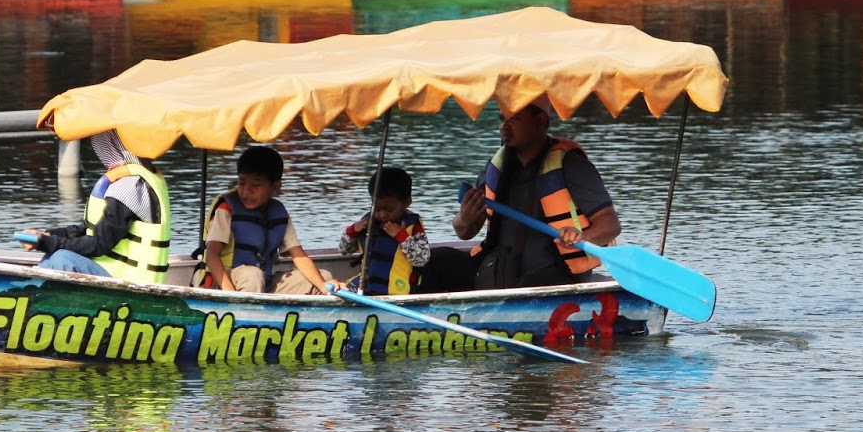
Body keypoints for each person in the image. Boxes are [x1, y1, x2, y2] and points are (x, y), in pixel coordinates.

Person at [448, 94, 622, 290]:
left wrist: (582, 236)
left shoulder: (572, 165)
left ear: (539, 121)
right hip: (499, 269)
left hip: (556, 275)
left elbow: (610, 224)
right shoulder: (495, 167)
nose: (504, 126)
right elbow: (464, 232)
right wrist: (465, 218)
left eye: (514, 119)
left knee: (528, 280)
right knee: (439, 262)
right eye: (502, 119)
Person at [19, 130, 172, 284]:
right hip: (113, 272)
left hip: (131, 284)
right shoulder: (138, 178)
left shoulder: (130, 186)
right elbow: (85, 230)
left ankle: (31, 295)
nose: (98, 145)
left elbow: (98, 245)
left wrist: (46, 243)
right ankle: (32, 291)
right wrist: (46, 235)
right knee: (54, 253)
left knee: (62, 259)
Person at [198, 145, 336, 295]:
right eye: (241, 183)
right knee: (252, 275)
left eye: (255, 185)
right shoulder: (226, 208)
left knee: (324, 278)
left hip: (262, 281)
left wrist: (322, 285)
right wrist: (231, 295)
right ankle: (244, 313)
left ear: (275, 187)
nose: (246, 191)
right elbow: (212, 255)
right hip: (224, 284)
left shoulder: (279, 213)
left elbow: (298, 255)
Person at [338, 166, 431, 296]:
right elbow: (343, 250)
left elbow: (422, 259)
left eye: (389, 210)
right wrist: (353, 230)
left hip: (399, 292)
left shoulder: (413, 226)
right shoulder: (368, 221)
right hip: (365, 286)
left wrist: (402, 236)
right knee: (338, 289)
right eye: (377, 209)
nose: (382, 214)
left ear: (407, 202)